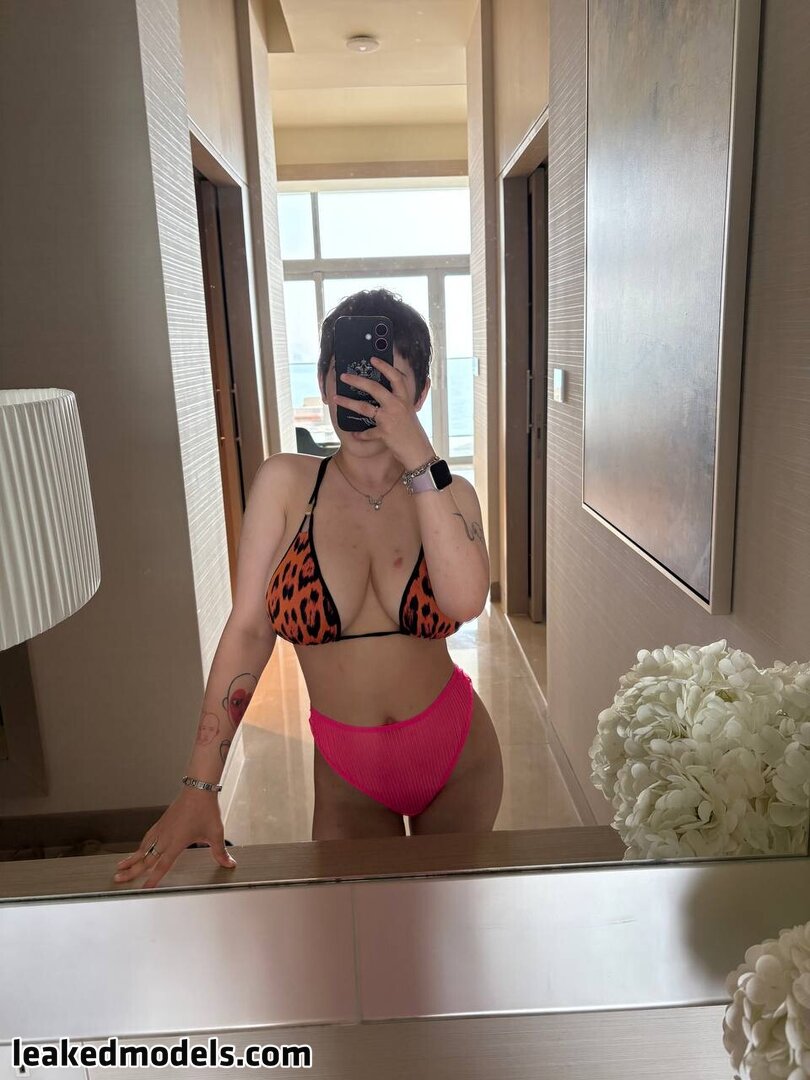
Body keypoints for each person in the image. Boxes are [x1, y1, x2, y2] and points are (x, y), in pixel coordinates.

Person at [114, 289, 504, 889]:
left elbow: (464, 600)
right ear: (324, 384)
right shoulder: (286, 484)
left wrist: (419, 456)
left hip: (457, 756)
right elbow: (249, 630)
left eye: (387, 381)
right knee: (362, 929)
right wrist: (200, 785)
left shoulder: (450, 494)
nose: (365, 394)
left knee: (450, 921)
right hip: (348, 775)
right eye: (350, 376)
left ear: (422, 394)